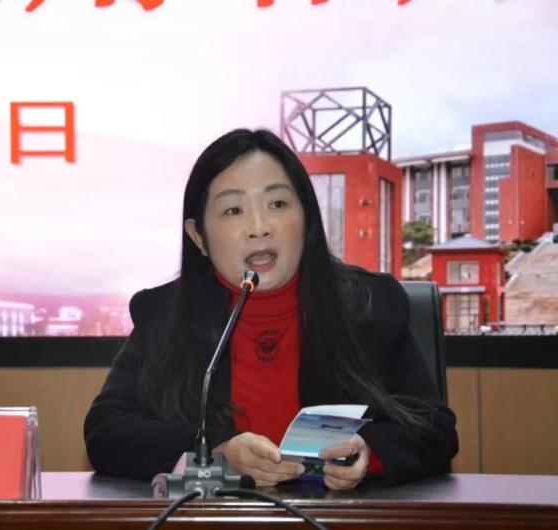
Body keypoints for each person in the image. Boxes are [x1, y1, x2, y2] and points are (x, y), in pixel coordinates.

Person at [84, 129, 458, 489]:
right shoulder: (164, 315)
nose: (259, 227)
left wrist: (368, 452)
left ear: (307, 218)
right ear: (199, 236)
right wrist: (215, 452)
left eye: (277, 204)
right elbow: (106, 430)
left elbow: (435, 428)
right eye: (233, 210)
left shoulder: (370, 305)